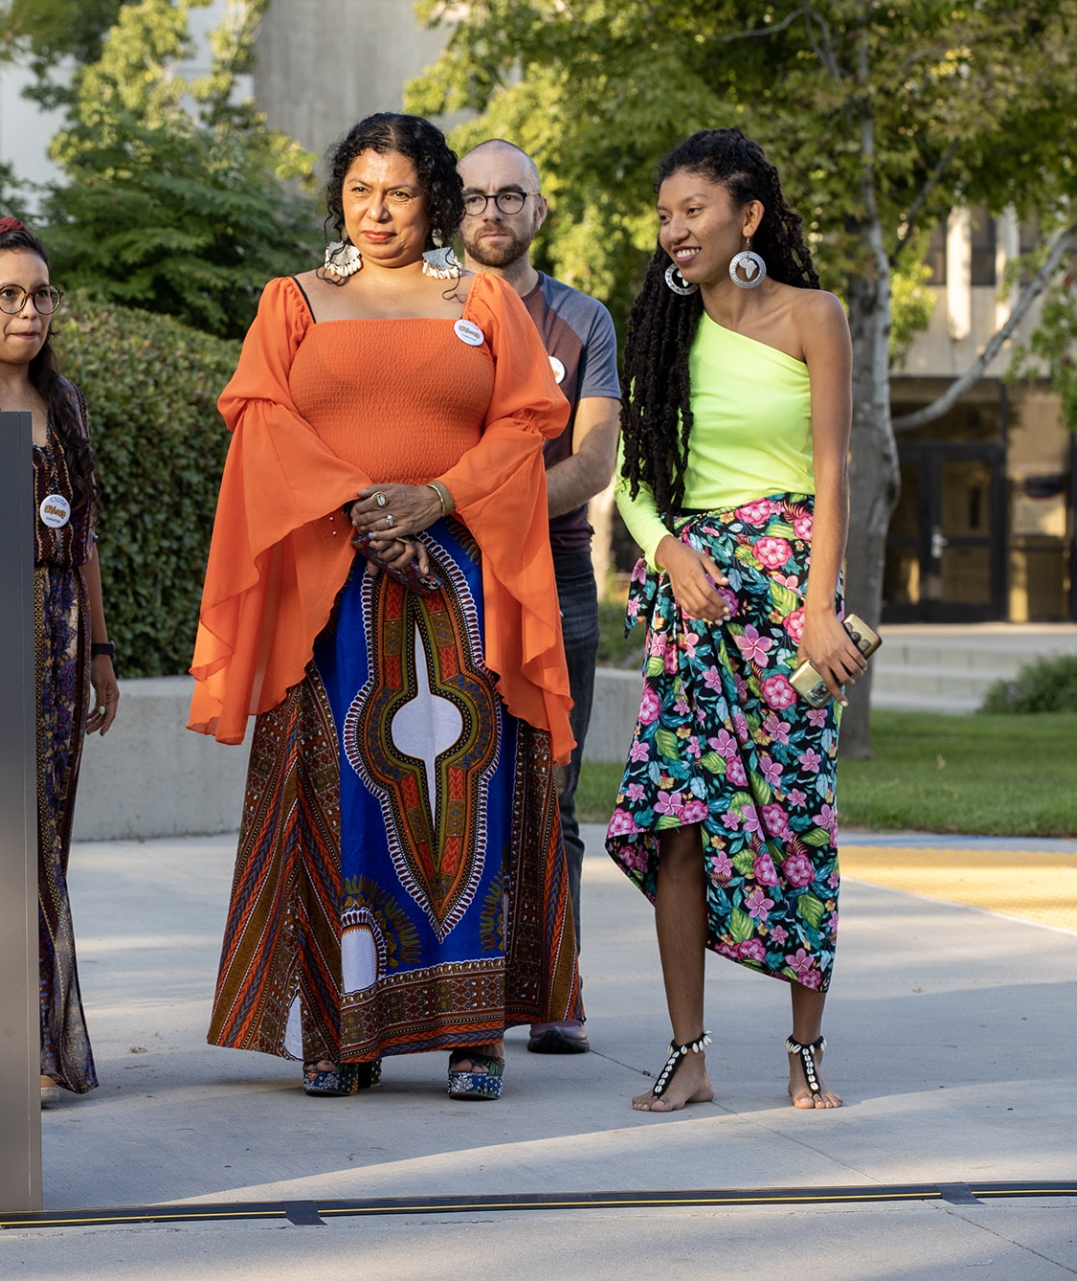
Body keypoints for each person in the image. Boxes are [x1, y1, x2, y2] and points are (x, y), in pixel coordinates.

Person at [191, 113, 578, 1102]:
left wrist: (435, 498)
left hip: (465, 579)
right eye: (361, 190)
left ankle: (474, 1036)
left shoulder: (483, 298)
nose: (377, 211)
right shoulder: (296, 302)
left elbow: (529, 416)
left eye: (398, 192)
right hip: (335, 585)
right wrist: (365, 508)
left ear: (433, 200)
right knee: (345, 799)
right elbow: (262, 418)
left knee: (468, 798)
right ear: (340, 197)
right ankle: (342, 1034)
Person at [607, 128, 864, 1113]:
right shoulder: (666, 333)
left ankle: (804, 1054)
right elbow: (637, 478)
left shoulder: (815, 315)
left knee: (798, 820)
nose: (675, 231)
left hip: (790, 592)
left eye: (694, 212)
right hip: (690, 602)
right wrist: (667, 551)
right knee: (679, 825)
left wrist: (816, 607)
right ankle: (691, 1054)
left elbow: (837, 473)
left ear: (747, 216)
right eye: (667, 215)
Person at [0, 217, 119, 1108]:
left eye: (41, 293)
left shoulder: (66, 401)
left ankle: (41, 1041)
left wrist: (103, 654)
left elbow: (81, 537)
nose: (28, 310)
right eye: (7, 294)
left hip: (61, 629)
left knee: (45, 845)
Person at [458, 138, 621, 1057]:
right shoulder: (434, 312)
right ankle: (468, 990)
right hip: (448, 574)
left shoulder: (581, 321)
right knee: (459, 785)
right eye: (476, 197)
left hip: (553, 575)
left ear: (539, 210)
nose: (492, 212)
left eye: (509, 196)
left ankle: (556, 989)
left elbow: (592, 460)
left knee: (550, 788)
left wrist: (471, 500)